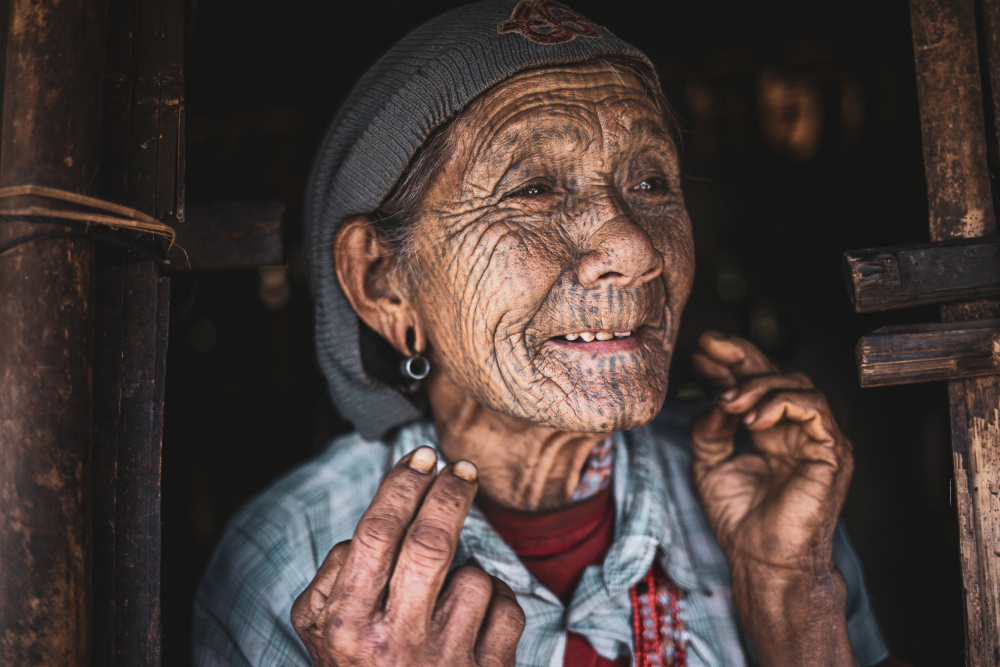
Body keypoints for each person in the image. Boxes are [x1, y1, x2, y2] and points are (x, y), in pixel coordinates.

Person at [193, 2, 899, 665]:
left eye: (651, 183)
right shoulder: (287, 563)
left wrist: (792, 600)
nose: (635, 249)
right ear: (384, 283)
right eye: (532, 190)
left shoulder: (763, 493)